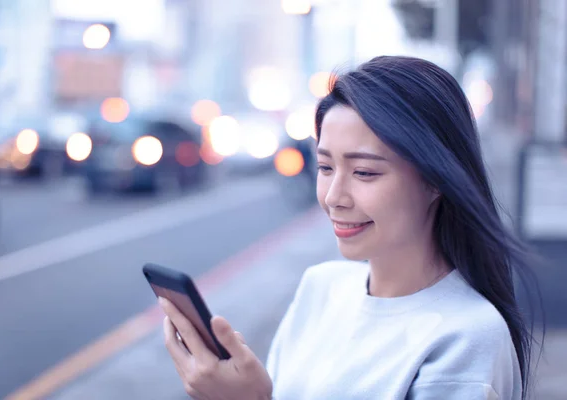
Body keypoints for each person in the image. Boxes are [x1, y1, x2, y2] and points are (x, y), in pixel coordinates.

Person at [158, 56, 542, 399]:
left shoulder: (466, 338)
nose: (334, 196)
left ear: (435, 179)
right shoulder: (321, 287)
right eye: (325, 168)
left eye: (364, 172)